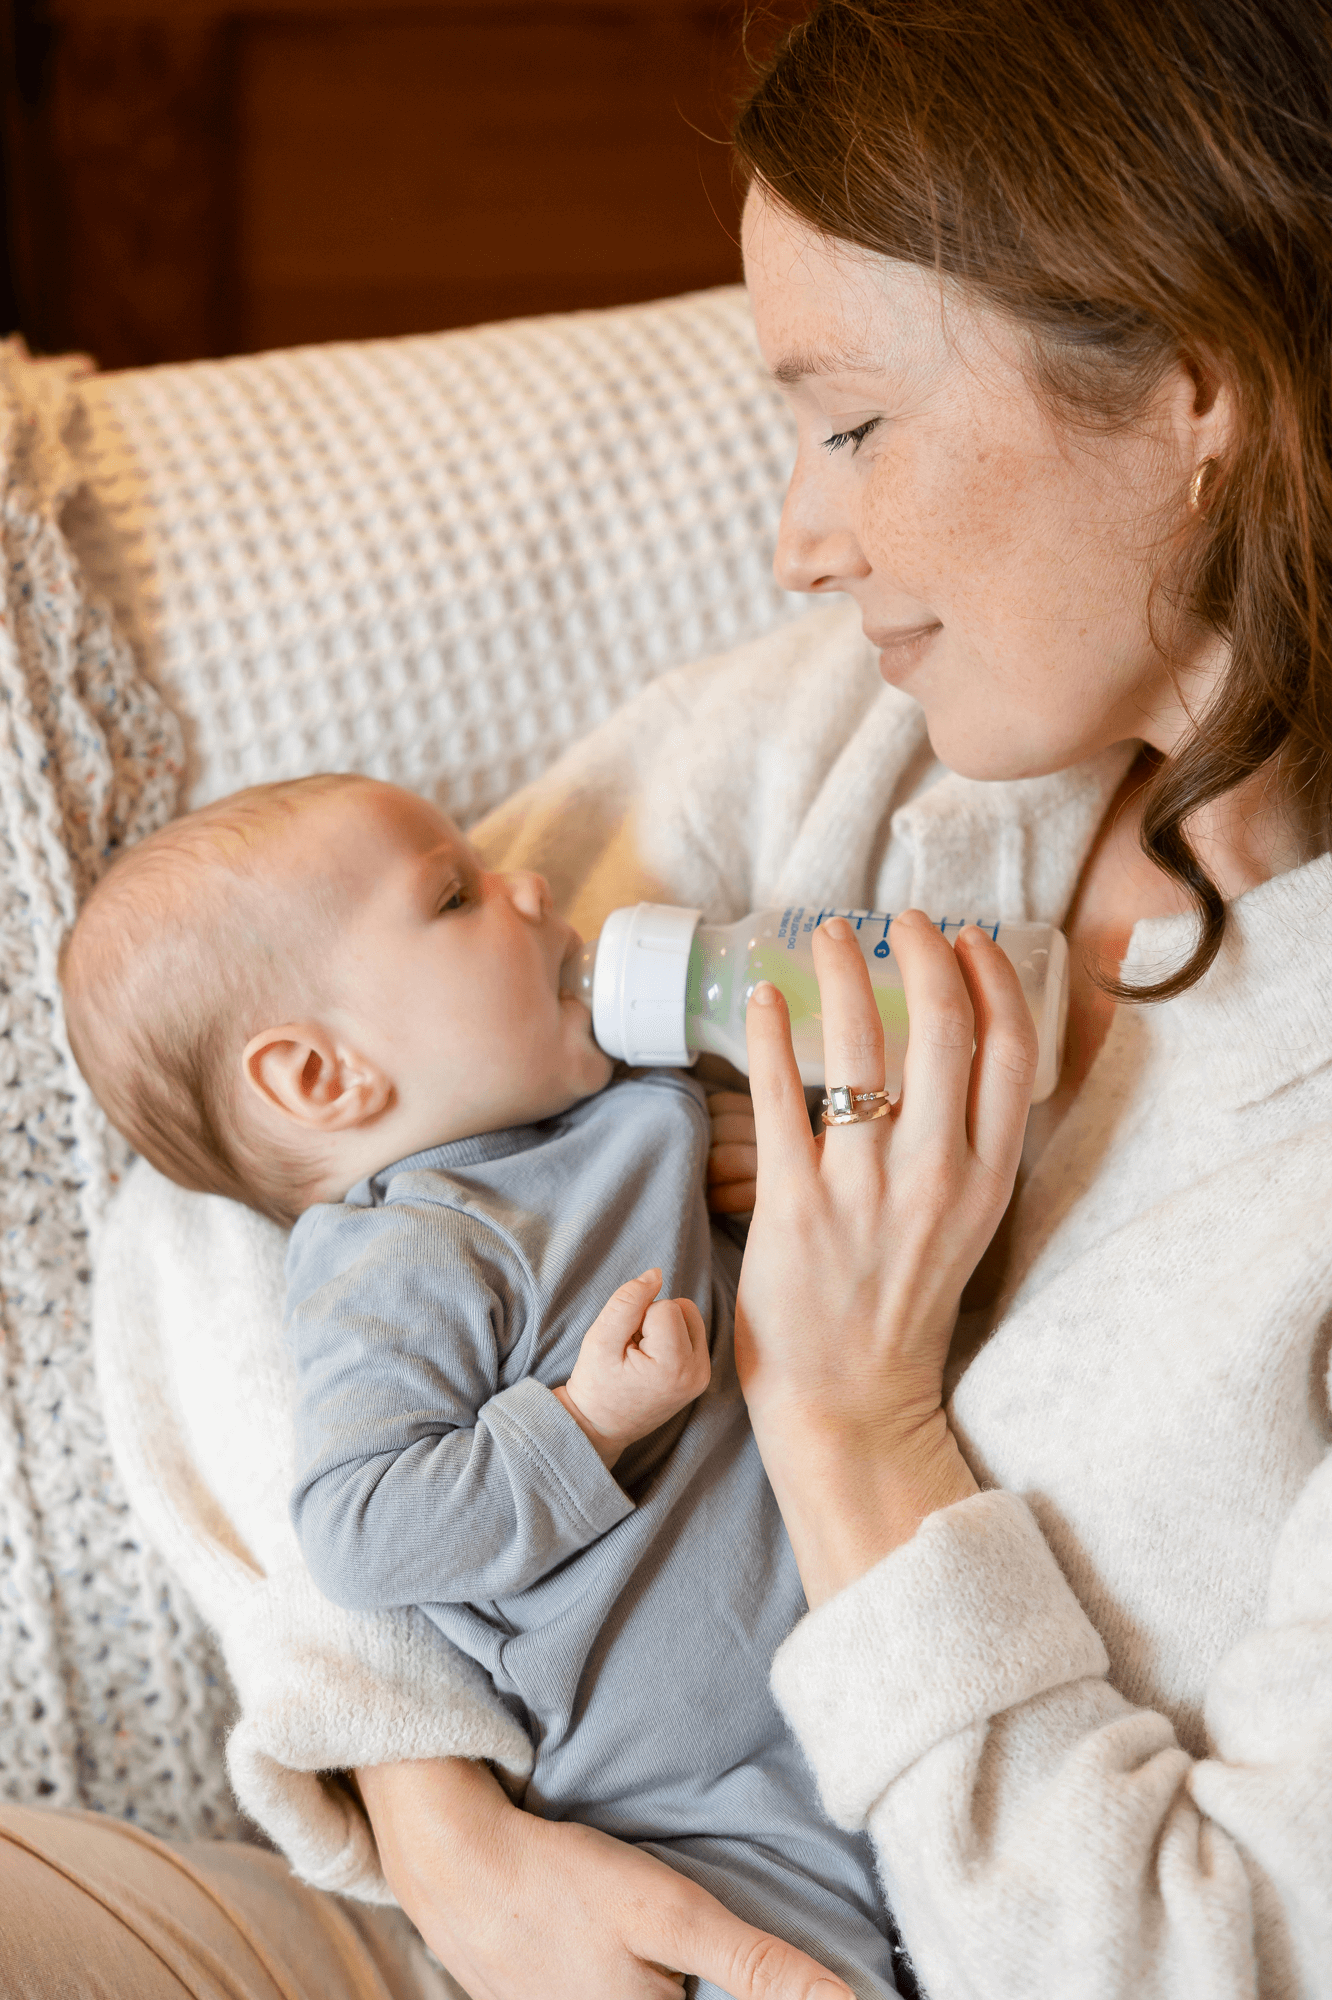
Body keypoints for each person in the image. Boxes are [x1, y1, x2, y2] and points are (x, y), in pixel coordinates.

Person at [8, 0, 1332, 1994]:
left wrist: (855, 1420)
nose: (799, 542)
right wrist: (449, 1821)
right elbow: (244, 1176)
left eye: (854, 421)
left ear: (1192, 380)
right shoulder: (872, 750)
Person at [58, 770, 937, 2000]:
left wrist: (783, 1162)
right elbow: (364, 1529)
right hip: (692, 1809)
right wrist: (584, 1422)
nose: (532, 889)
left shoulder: (632, 1098)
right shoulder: (400, 1250)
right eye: (456, 895)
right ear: (323, 1076)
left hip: (880, 1673)